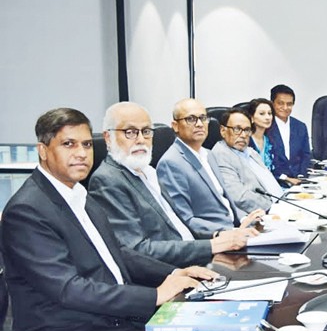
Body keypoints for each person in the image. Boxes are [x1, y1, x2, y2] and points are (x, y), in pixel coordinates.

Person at [1, 108, 217, 331]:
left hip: (110, 321)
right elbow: (69, 289)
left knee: (209, 329)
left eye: (87, 144)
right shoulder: (27, 211)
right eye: (68, 144)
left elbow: (118, 254)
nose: (81, 153)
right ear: (43, 150)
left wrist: (173, 273)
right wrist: (155, 295)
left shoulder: (79, 195)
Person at [89, 102, 256, 267]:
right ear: (107, 137)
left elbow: (180, 224)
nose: (141, 139)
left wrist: (220, 234)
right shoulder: (108, 180)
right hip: (172, 272)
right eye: (130, 132)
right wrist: (212, 245)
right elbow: (137, 250)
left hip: (198, 256)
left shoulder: (148, 171)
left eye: (146, 131)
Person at [157, 98, 265, 234]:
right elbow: (186, 220)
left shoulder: (209, 155)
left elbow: (224, 201)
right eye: (191, 119)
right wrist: (231, 232)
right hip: (216, 240)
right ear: (175, 125)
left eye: (203, 118)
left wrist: (245, 219)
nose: (199, 124)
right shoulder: (171, 163)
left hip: (237, 229)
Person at [211, 107, 285, 214]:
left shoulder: (250, 151)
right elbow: (239, 197)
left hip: (281, 204)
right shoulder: (220, 154)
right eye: (237, 129)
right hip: (261, 214)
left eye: (247, 130)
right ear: (223, 131)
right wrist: (275, 209)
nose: (243, 135)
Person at [267, 83, 312, 181]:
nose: (285, 107)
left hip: (299, 180)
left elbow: (306, 155)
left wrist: (301, 176)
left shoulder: (300, 126)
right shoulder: (266, 127)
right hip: (275, 181)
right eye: (280, 103)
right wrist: (285, 179)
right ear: (272, 103)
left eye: (289, 104)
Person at [247, 97, 276, 175]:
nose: (267, 117)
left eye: (269, 113)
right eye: (262, 114)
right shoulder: (245, 140)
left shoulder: (271, 140)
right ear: (251, 118)